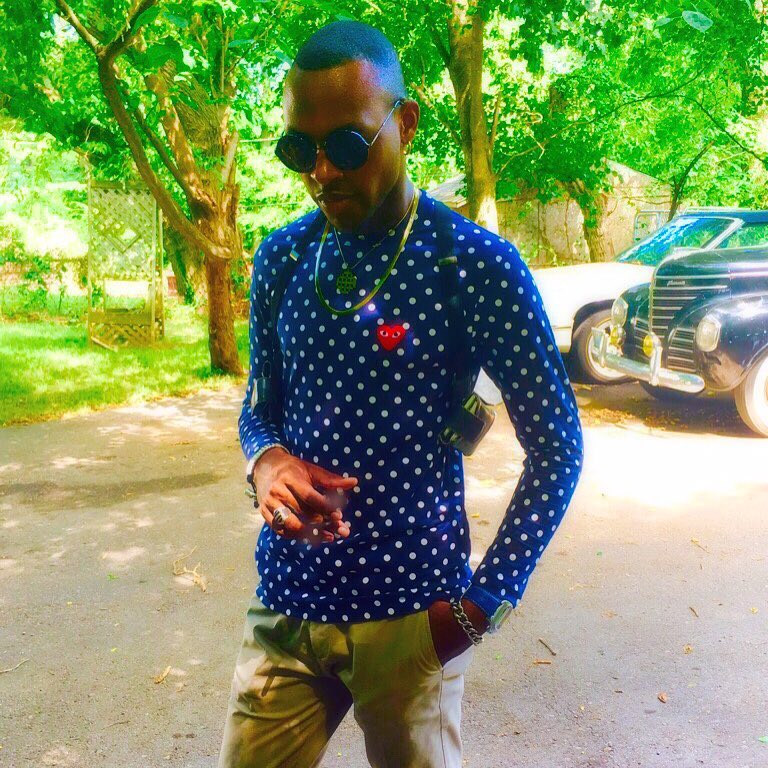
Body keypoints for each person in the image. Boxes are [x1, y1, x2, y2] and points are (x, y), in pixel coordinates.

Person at [217, 19, 584, 768]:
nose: (322, 171)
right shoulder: (283, 257)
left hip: (412, 617)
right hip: (288, 607)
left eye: (347, 146)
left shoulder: (474, 265)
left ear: (405, 123)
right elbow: (260, 409)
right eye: (300, 151)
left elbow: (557, 447)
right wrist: (267, 461)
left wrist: (481, 607)